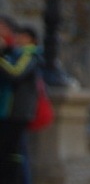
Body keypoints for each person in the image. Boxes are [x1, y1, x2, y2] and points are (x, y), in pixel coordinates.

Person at [0, 15, 39, 184]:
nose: (18, 39)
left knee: (13, 152)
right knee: (11, 151)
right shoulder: (15, 53)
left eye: (22, 36)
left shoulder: (28, 54)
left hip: (17, 111)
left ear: (30, 39)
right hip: (11, 110)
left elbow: (16, 72)